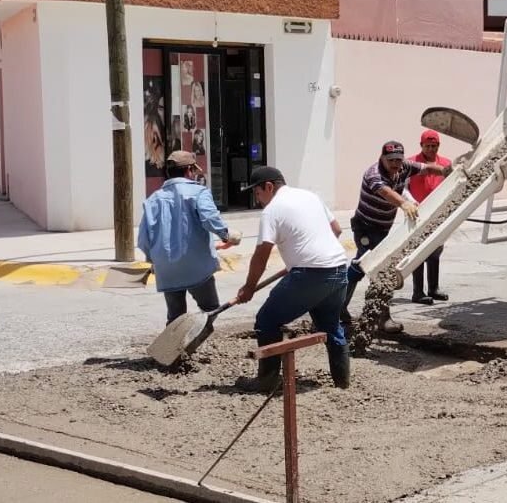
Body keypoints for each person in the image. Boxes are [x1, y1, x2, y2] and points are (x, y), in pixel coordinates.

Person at [233, 166, 351, 393]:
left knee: (266, 321)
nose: (257, 200)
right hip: (338, 268)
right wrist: (306, 256)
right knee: (331, 326)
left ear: (268, 187)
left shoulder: (272, 210)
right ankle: (342, 383)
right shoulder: (310, 196)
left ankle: (266, 382)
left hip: (311, 273)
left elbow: (261, 254)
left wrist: (248, 288)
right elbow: (336, 230)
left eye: (257, 193)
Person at [341, 140, 452, 333]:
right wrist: (403, 203)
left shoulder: (405, 167)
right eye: (391, 160)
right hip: (366, 227)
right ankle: (377, 317)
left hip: (383, 229)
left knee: (367, 266)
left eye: (398, 160)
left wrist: (444, 171)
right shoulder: (373, 174)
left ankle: (341, 309)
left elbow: (426, 169)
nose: (395, 164)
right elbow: (385, 192)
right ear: (382, 158)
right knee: (374, 267)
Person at [137, 151, 240, 324]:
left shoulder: (152, 200)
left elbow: (143, 239)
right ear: (189, 170)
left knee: (175, 317)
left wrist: (154, 260)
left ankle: (174, 348)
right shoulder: (199, 192)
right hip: (196, 267)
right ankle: (199, 341)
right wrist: (227, 235)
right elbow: (209, 219)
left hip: (166, 268)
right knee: (210, 308)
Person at [407, 130, 451, 304]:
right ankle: (418, 292)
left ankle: (433, 288)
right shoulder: (411, 163)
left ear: (438, 146)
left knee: (435, 251)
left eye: (434, 146)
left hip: (438, 214)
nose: (431, 149)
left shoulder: (446, 164)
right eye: (428, 146)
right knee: (418, 253)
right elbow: (403, 187)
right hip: (416, 213)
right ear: (421, 146)